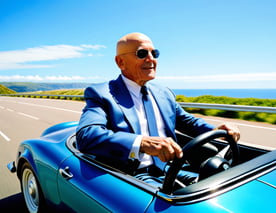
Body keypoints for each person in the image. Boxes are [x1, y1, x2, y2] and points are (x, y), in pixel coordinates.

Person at [76, 32, 240, 182]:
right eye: (142, 53)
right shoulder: (101, 93)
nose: (151, 59)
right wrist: (142, 143)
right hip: (134, 176)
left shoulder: (164, 93)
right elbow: (87, 136)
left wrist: (216, 130)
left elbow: (187, 121)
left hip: (173, 168)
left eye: (154, 53)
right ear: (120, 62)